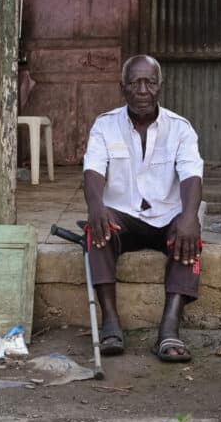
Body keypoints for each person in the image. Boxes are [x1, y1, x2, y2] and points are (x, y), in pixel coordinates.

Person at [82, 54, 203, 363]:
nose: (142, 90)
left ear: (160, 86)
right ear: (123, 88)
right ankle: (110, 322)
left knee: (190, 235)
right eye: (134, 83)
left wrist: (189, 217)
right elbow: (93, 169)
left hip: (166, 217)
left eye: (149, 82)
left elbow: (191, 174)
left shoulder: (181, 129)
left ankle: (169, 328)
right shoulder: (105, 126)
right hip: (124, 216)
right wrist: (96, 205)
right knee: (96, 229)